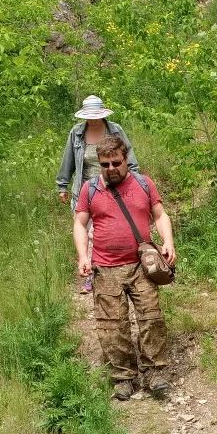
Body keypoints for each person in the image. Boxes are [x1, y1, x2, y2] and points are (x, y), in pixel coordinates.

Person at [75, 135, 176, 400]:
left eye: (116, 163)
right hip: (105, 268)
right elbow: (79, 223)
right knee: (111, 326)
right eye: (105, 164)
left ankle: (155, 372)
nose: (111, 169)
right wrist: (82, 256)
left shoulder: (144, 184)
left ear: (126, 159)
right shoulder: (90, 189)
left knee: (151, 317)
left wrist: (168, 242)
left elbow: (160, 214)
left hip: (142, 265)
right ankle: (123, 376)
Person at [57, 95, 139, 293]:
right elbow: (68, 158)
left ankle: (112, 269)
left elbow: (129, 158)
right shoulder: (77, 133)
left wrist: (135, 181)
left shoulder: (115, 130)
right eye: (89, 116)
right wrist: (62, 185)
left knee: (102, 232)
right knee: (84, 231)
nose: (92, 119)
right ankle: (89, 272)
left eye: (96, 115)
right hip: (85, 189)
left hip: (113, 187)